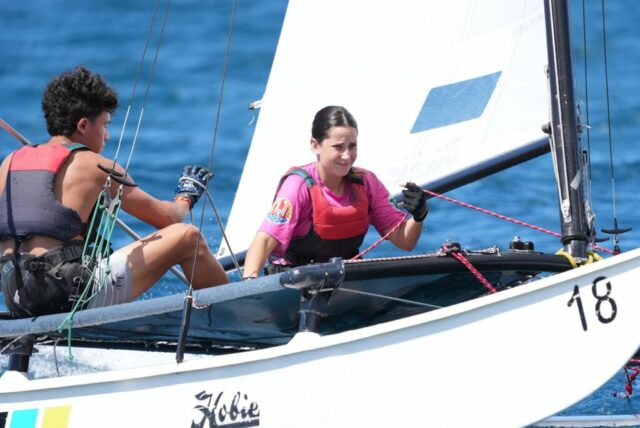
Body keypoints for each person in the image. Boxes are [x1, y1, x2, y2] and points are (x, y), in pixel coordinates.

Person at [0, 66, 228, 318]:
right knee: (188, 237)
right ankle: (236, 317)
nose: (107, 136)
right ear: (83, 125)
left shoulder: (10, 162)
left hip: (15, 293)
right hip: (65, 294)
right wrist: (186, 195)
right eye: (104, 125)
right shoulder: (95, 165)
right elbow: (169, 218)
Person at [242, 105, 428, 279]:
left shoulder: (367, 182)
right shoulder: (298, 186)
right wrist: (249, 288)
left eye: (352, 146)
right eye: (338, 147)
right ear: (315, 145)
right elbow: (263, 242)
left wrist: (419, 216)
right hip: (297, 285)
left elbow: (405, 242)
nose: (347, 156)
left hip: (346, 284)